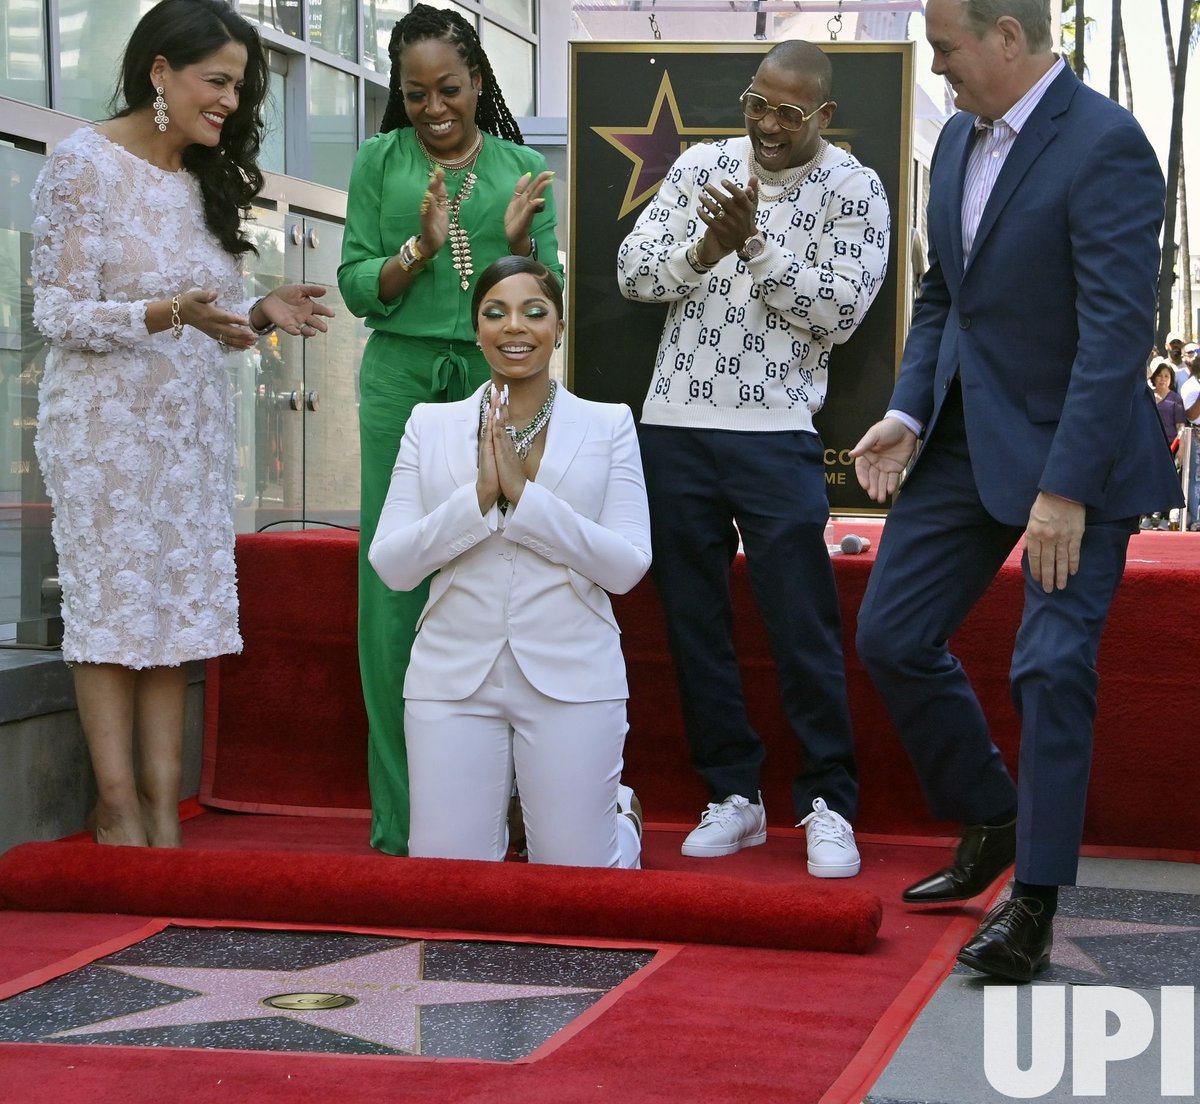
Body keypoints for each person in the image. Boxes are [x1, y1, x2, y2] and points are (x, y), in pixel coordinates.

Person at [851, 0, 1182, 982]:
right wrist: (908, 415)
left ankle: (1033, 900)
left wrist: (1066, 488)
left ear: (1006, 35)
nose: (938, 68)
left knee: (1049, 665)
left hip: (1077, 458)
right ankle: (993, 815)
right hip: (959, 444)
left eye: (948, 49)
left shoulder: (1109, 144)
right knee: (890, 636)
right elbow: (945, 295)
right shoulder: (956, 139)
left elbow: (1119, 330)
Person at [30, 0, 333, 848]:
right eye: (218, 81)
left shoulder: (204, 178)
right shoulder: (82, 163)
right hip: (103, 431)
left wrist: (260, 312)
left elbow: (215, 319)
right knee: (113, 609)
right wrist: (170, 313)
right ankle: (118, 808)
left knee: (176, 617)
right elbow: (56, 312)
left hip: (190, 430)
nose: (231, 101)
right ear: (160, 71)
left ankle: (165, 811)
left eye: (239, 86)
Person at [617, 40, 890, 877]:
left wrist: (758, 250)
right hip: (674, 424)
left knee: (799, 619)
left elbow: (841, 313)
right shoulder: (702, 167)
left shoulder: (855, 188)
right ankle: (734, 793)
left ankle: (827, 801)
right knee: (694, 621)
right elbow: (632, 272)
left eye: (789, 112)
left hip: (777, 432)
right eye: (757, 103)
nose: (768, 125)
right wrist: (703, 250)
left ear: (825, 116)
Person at [338, 4, 561, 857]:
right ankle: (401, 823)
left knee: (494, 571)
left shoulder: (519, 166)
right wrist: (417, 251)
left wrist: (519, 249)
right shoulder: (377, 161)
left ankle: (501, 811)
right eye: (416, 92)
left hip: (494, 379)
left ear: (478, 83)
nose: (434, 107)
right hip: (399, 381)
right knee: (394, 589)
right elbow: (359, 281)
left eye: (450, 89)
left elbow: (548, 296)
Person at [368, 256, 650, 868]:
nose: (513, 327)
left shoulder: (608, 425)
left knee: (575, 881)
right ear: (477, 331)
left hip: (574, 673)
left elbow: (627, 567)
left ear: (560, 326)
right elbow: (391, 563)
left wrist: (527, 499)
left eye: (534, 311)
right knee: (449, 881)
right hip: (451, 676)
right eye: (495, 313)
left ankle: (619, 819)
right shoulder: (430, 424)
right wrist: (478, 501)